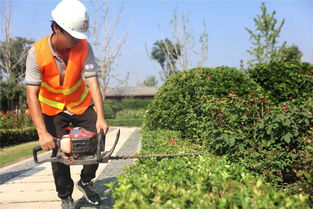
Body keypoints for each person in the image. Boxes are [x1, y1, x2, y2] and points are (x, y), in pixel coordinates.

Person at [25, 0, 108, 208]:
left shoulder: (84, 47)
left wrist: (101, 117)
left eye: (79, 35)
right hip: (52, 108)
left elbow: (92, 82)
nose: (76, 40)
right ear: (56, 28)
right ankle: (65, 196)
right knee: (58, 150)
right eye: (72, 35)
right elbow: (31, 95)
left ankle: (86, 181)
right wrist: (42, 132)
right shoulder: (36, 53)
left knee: (97, 139)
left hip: (79, 103)